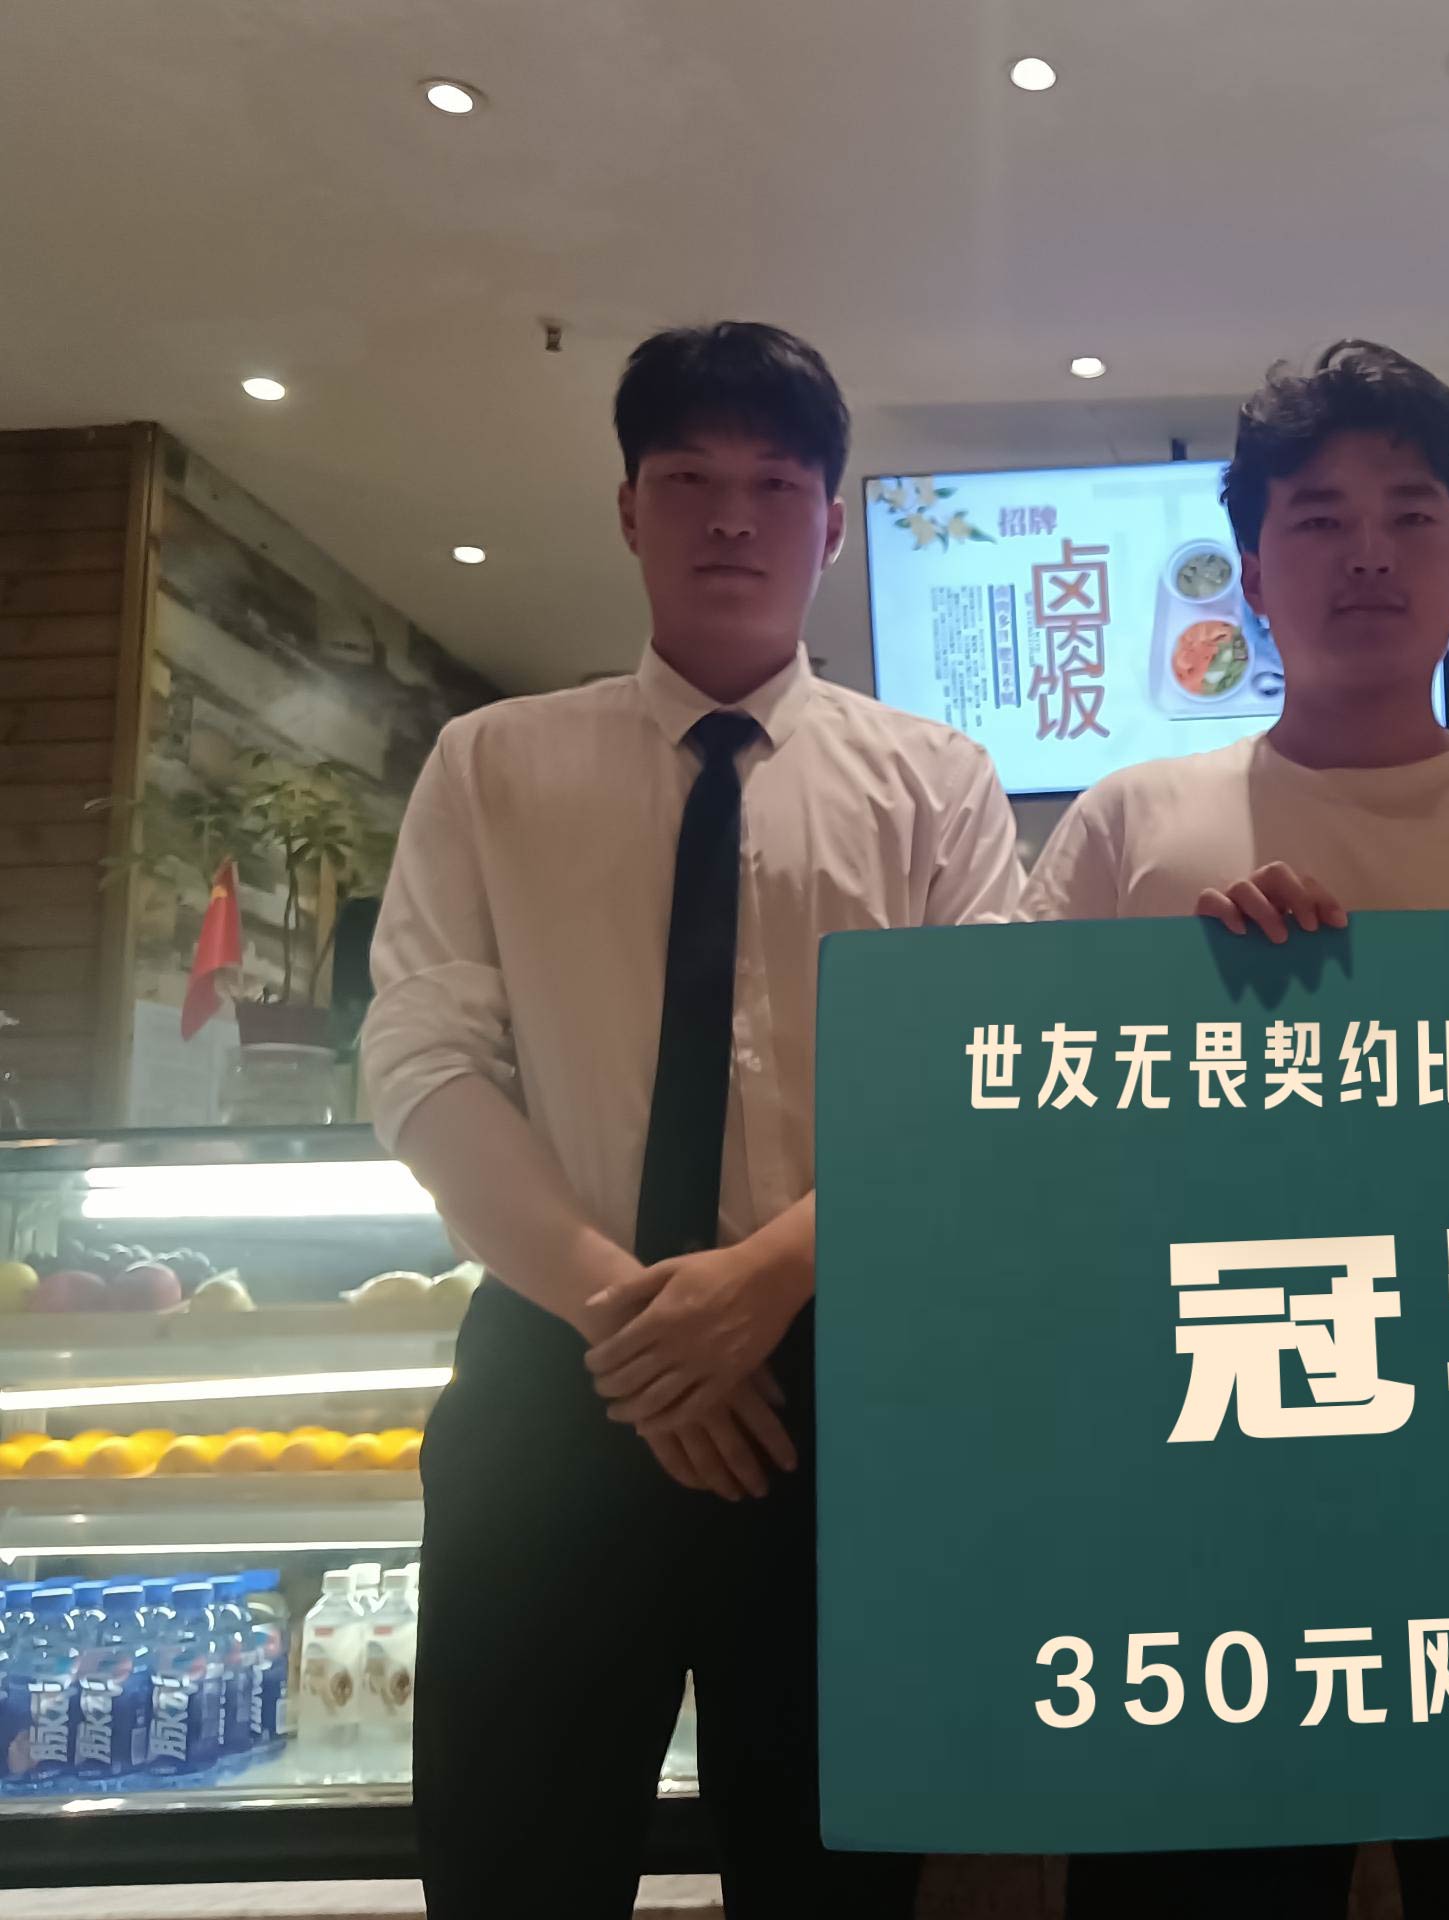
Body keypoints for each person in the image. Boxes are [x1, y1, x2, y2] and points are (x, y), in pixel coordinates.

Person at [364, 321, 1023, 1916]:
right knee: (515, 1866)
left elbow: (979, 1079)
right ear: (627, 509)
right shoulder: (490, 763)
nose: (733, 517)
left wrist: (765, 1283)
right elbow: (426, 1065)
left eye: (776, 484)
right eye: (689, 479)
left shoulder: (934, 780)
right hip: (554, 1370)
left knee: (831, 1874)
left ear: (832, 526)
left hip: (841, 1387)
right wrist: (631, 1320)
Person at [1028, 341, 1449, 1919]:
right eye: (1318, 519)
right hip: (1213, 1503)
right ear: (1255, 575)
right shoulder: (1130, 828)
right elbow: (1020, 1151)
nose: (1369, 551)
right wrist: (1186, 1021)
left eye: (1409, 514)